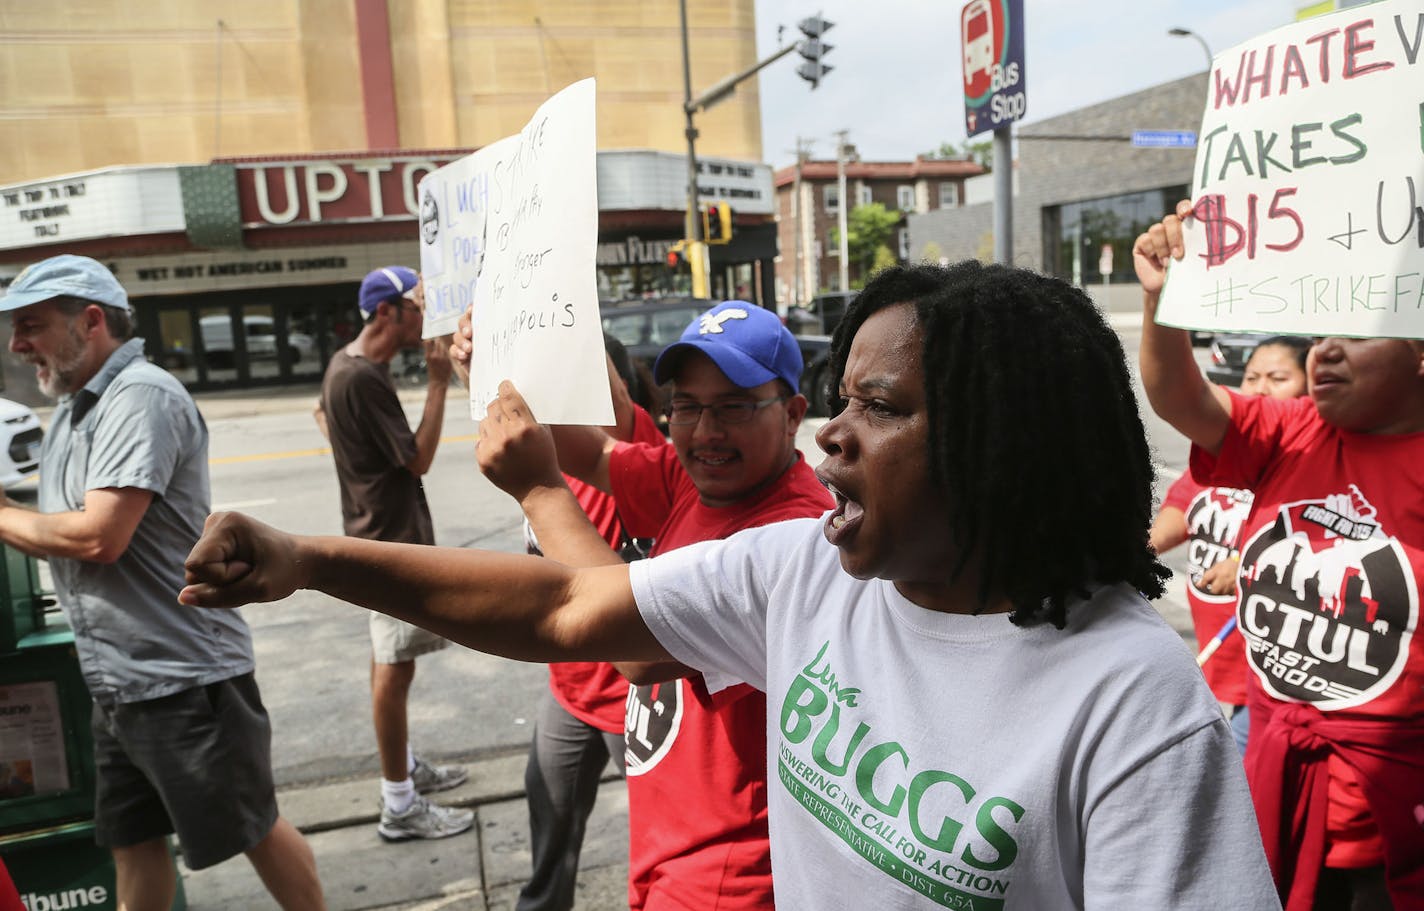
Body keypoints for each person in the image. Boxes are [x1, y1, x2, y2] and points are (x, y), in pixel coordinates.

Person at [181, 262, 1280, 909]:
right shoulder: (803, 575)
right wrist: (308, 559)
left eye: (880, 408)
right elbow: (564, 608)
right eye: (837, 400)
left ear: (1000, 446)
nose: (832, 437)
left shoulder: (1134, 704)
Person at [474, 300, 832, 910]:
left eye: (733, 407)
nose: (705, 431)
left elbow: (633, 647)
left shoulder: (794, 531)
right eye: (687, 407)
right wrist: (500, 367)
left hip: (731, 869)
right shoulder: (688, 478)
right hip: (672, 837)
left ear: (794, 413)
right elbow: (591, 454)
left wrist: (538, 490)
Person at [0, 255, 324, 910]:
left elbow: (99, 534)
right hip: (118, 677)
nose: (16, 344)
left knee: (253, 826)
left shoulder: (140, 396)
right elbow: (63, 513)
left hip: (185, 677)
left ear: (90, 321)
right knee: (135, 841)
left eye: (30, 325)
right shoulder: (72, 409)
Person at [1135, 201, 1424, 911]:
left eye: (1355, 333)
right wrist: (1164, 296)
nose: (1324, 350)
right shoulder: (1290, 430)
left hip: (1396, 828)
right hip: (1274, 787)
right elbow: (1179, 395)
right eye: (1322, 331)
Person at [317, 265, 473, 842]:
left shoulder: (349, 367)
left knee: (390, 665)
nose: (424, 319)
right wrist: (438, 383)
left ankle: (404, 767)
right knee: (394, 668)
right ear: (386, 312)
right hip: (385, 541)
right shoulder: (361, 377)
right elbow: (418, 459)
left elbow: (326, 421)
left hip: (375, 530)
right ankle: (398, 802)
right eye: (416, 308)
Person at [513, 335, 665, 911]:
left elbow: (612, 399)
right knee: (550, 847)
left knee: (660, 858)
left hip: (636, 703)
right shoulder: (545, 455)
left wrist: (566, 307)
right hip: (569, 696)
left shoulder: (629, 448)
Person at [1149, 335, 1310, 752]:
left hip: (1268, 673)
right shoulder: (1230, 454)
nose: (1259, 388)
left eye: (1278, 378)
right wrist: (1131, 553)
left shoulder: (1309, 458)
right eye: (1251, 377)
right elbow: (1183, 506)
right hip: (1218, 664)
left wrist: (1247, 564)